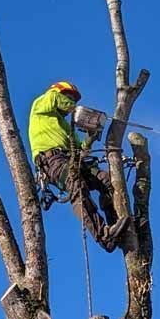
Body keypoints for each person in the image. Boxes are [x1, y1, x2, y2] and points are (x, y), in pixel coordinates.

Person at [28, 80, 129, 252]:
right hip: (52, 161)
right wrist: (81, 112)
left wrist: (91, 136)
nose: (71, 103)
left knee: (104, 180)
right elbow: (55, 99)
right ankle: (104, 236)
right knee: (77, 186)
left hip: (72, 160)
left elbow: (81, 150)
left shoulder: (66, 127)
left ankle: (116, 223)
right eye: (68, 98)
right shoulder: (41, 106)